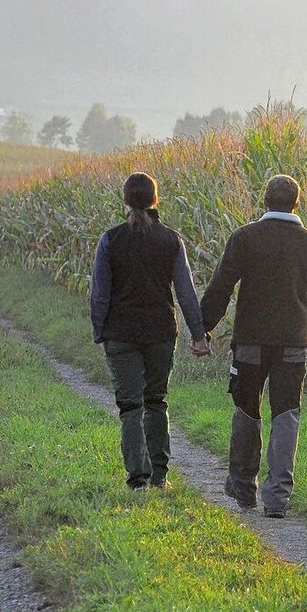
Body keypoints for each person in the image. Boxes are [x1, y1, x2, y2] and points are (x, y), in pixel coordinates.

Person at [201, 174, 307, 518]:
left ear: (264, 201)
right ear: (297, 204)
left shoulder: (244, 238)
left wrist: (202, 328)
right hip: (293, 342)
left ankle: (243, 487)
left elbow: (221, 287)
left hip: (250, 341)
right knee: (286, 414)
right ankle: (277, 497)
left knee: (247, 409)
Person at [90, 172, 210, 491]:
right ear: (156, 200)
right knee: (156, 400)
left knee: (130, 406)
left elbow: (100, 292)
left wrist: (99, 331)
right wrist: (198, 335)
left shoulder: (110, 239)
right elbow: (185, 292)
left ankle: (137, 478)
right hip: (159, 332)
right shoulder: (171, 240)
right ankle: (160, 475)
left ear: (125, 201)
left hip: (120, 334)